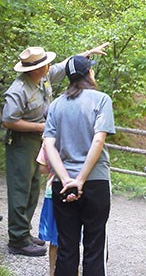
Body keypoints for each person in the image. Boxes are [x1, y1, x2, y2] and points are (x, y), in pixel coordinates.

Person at [1, 42, 110, 257]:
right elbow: (8, 120)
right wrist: (43, 127)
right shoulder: (18, 90)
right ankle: (17, 238)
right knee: (20, 189)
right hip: (22, 142)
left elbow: (66, 66)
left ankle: (24, 232)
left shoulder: (44, 77)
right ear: (35, 68)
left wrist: (86, 53)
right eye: (45, 63)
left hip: (39, 140)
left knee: (33, 187)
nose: (49, 65)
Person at [44, 53, 115, 276]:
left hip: (62, 186)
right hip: (95, 183)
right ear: (89, 73)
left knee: (66, 247)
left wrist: (66, 179)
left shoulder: (56, 105)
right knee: (94, 247)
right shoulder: (102, 99)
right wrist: (81, 180)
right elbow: (98, 139)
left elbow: (48, 145)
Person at [36, 144, 58, 276]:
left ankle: (52, 272)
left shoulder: (49, 138)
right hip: (76, 190)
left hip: (53, 190)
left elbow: (42, 168)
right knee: (71, 238)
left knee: (54, 239)